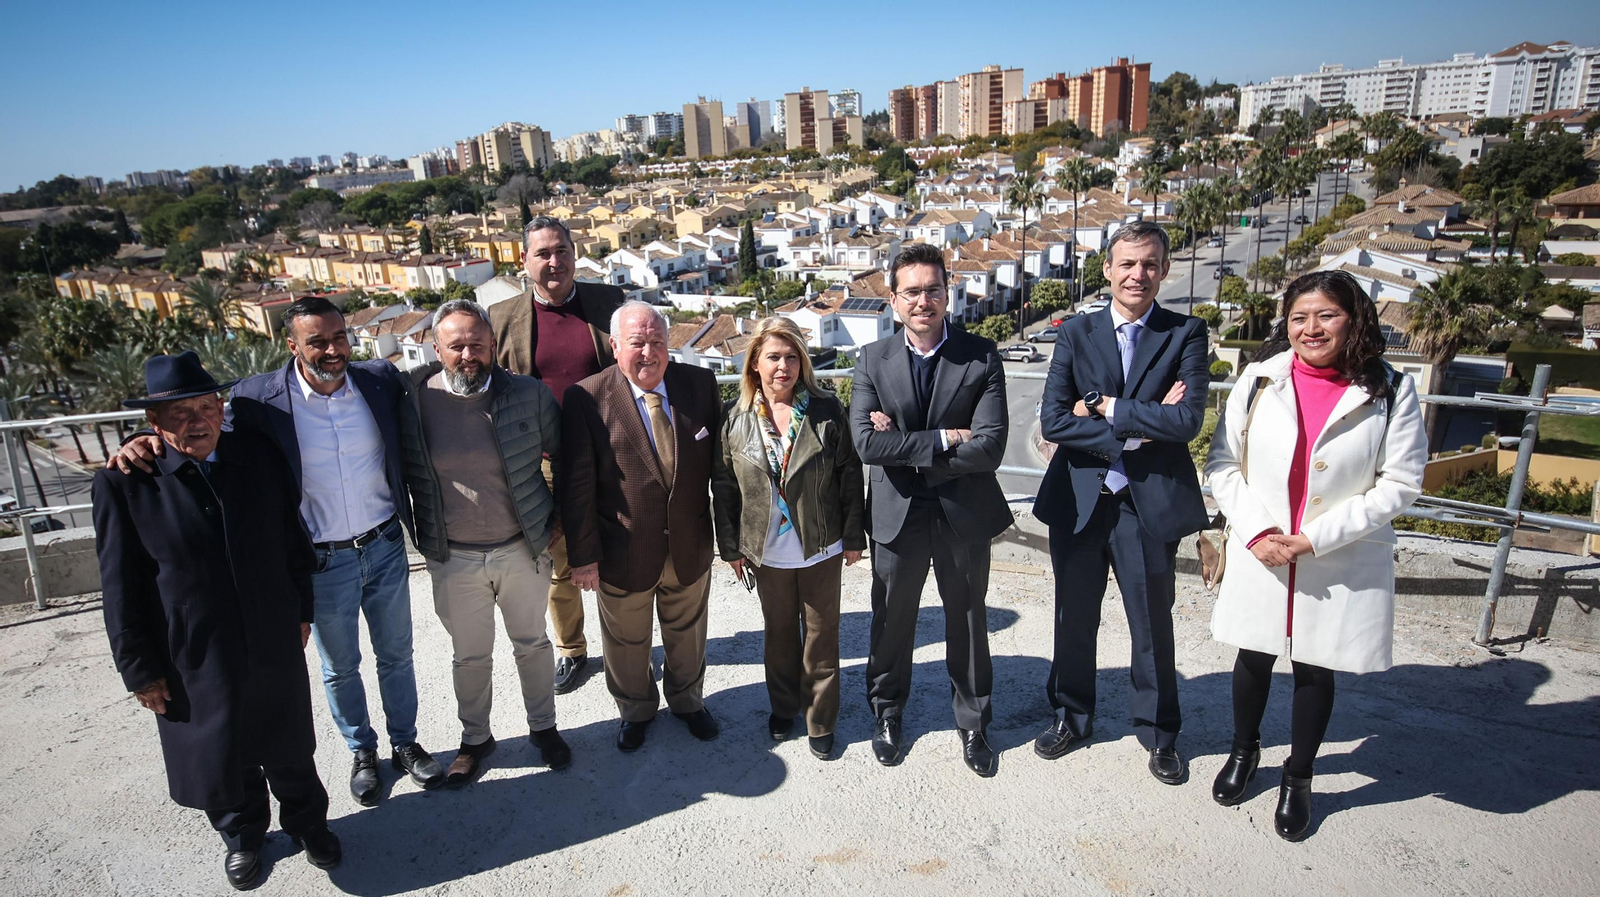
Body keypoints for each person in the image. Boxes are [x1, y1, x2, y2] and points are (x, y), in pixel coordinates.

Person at [111, 296, 443, 805]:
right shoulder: (257, 400)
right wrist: (140, 437)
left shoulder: (380, 380)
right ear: (292, 345)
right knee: (340, 666)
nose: (332, 350)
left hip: (384, 546)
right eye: (317, 341)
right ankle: (361, 751)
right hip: (321, 558)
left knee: (397, 655)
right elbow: (194, 422)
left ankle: (405, 743)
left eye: (338, 337)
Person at [93, 351, 341, 891]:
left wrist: (302, 610)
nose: (196, 422)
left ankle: (308, 823)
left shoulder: (255, 455)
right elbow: (120, 585)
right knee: (220, 748)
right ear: (153, 426)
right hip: (192, 648)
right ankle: (242, 836)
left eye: (205, 407)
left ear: (221, 408)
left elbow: (291, 539)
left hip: (271, 631)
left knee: (289, 742)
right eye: (177, 415)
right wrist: (139, 670)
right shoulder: (126, 484)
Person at [1204, 269, 1426, 840]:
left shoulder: (1392, 391)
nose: (1311, 328)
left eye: (1326, 315)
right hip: (1265, 549)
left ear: (1353, 319)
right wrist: (1256, 532)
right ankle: (1244, 751)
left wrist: (1317, 538)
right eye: (1299, 317)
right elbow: (1223, 466)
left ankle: (1298, 777)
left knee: (1314, 666)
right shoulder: (1257, 380)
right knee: (1252, 656)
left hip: (1336, 552)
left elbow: (1401, 482)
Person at [1034, 219, 1210, 785]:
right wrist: (1138, 422)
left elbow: (1186, 422)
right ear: (1107, 270)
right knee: (1073, 619)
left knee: (1152, 625)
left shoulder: (1186, 334)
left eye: (1150, 264)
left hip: (1147, 503)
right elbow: (1054, 419)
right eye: (1127, 264)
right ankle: (1071, 715)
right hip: (1081, 499)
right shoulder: (1074, 332)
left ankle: (1159, 735)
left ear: (1163, 270)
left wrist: (1104, 407)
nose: (1138, 274)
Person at [850, 242, 1013, 777]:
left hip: (962, 513)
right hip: (897, 516)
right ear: (893, 300)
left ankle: (973, 722)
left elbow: (990, 446)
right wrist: (943, 438)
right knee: (892, 621)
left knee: (967, 619)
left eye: (933, 290)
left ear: (949, 294)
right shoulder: (872, 360)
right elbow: (867, 446)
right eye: (912, 291)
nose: (924, 300)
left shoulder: (981, 355)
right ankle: (888, 713)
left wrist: (909, 445)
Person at [398, 299, 573, 784]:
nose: (468, 354)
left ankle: (544, 728)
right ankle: (476, 738)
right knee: (469, 657)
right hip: (452, 555)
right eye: (456, 345)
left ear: (493, 345)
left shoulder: (530, 394)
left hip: (522, 547)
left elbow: (565, 458)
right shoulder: (412, 399)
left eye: (477, 344)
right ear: (436, 348)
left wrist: (555, 521)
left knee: (533, 644)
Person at [560, 300, 724, 751]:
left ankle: (689, 702)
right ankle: (636, 711)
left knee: (688, 635)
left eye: (657, 342)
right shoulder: (587, 398)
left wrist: (731, 539)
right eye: (637, 342)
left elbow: (724, 468)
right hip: (622, 549)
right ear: (615, 346)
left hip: (689, 544)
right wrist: (583, 557)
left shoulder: (700, 384)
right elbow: (576, 487)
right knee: (627, 644)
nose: (648, 352)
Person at [711, 317, 866, 761]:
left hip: (821, 545)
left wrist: (854, 536)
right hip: (766, 550)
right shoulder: (733, 418)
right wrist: (731, 547)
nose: (784, 367)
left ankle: (820, 719)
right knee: (778, 634)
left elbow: (849, 474)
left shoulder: (826, 409)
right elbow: (723, 486)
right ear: (754, 364)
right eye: (773, 357)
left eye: (792, 357)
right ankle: (783, 708)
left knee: (821, 637)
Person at [490, 215, 627, 695]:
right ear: (524, 261)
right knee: (558, 562)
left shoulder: (609, 303)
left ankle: (624, 644)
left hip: (610, 453)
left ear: (574, 253)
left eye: (561, 251)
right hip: (542, 462)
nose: (554, 262)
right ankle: (572, 649)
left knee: (614, 550)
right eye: (543, 253)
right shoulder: (504, 318)